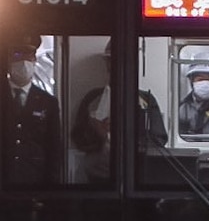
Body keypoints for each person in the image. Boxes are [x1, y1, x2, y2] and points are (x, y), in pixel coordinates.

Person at [71, 42, 168, 181]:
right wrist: (98, 135)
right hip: (98, 177)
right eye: (111, 61)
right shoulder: (92, 98)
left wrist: (128, 140)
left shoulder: (146, 99)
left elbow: (159, 138)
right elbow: (78, 138)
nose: (116, 65)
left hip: (136, 177)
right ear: (106, 64)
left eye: (123, 61)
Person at [2, 34, 62, 185]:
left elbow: (54, 146)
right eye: (17, 54)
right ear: (8, 60)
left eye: (29, 55)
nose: (24, 62)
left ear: (35, 60)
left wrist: (51, 184)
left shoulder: (48, 102)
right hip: (1, 179)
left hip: (36, 179)